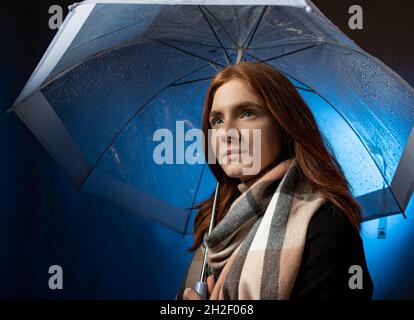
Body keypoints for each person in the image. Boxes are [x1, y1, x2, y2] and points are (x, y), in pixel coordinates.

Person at [176, 61, 373, 300]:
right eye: (217, 120)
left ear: (285, 126)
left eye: (247, 113)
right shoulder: (216, 220)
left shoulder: (327, 222)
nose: (227, 132)